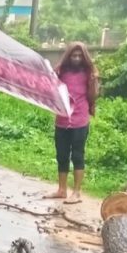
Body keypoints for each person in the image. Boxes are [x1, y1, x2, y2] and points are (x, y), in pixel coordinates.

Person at [45, 41, 98, 204]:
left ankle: (76, 192)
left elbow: (93, 95)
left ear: (84, 57)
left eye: (80, 56)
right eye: (74, 55)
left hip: (80, 120)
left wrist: (94, 83)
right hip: (62, 119)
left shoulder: (89, 73)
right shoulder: (61, 71)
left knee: (77, 155)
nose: (76, 58)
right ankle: (62, 190)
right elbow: (51, 88)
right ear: (68, 56)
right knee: (61, 155)